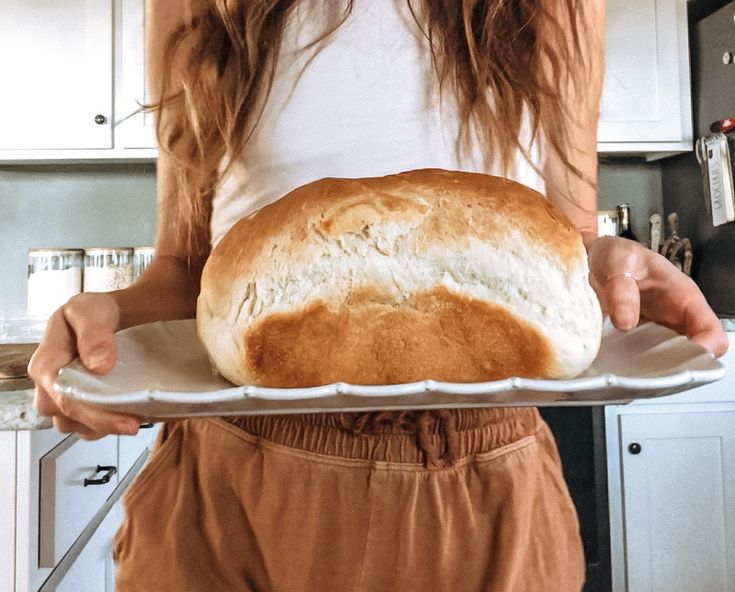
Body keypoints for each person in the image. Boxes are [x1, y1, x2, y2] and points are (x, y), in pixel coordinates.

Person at [29, 1, 728, 590]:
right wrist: (108, 331)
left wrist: (605, 263)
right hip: (225, 485)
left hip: (475, 482)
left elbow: (563, 241)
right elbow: (183, 271)